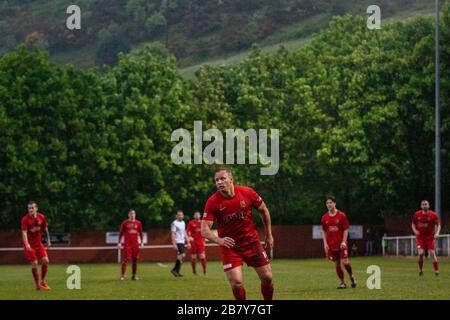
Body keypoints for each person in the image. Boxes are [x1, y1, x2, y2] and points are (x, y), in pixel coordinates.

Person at [201, 167, 274, 300]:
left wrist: (269, 234)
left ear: (231, 179)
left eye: (222, 179)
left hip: (251, 242)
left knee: (267, 278)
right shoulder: (212, 202)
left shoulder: (247, 192)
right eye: (216, 180)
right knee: (236, 283)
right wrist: (220, 240)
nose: (219, 182)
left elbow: (263, 210)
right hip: (230, 246)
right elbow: (204, 229)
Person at [321, 196, 357, 289]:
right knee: (337, 263)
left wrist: (344, 242)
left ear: (335, 203)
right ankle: (342, 283)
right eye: (327, 203)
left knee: (345, 262)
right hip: (331, 244)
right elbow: (324, 231)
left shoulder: (341, 215)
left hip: (341, 243)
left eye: (330, 202)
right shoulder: (324, 217)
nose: (329, 204)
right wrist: (325, 244)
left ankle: (352, 276)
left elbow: (346, 229)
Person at [21, 201, 51, 291]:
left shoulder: (41, 217)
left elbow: (45, 229)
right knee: (34, 263)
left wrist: (48, 240)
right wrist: (26, 244)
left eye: (32, 208)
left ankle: (43, 281)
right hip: (30, 245)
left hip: (38, 244)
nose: (30, 210)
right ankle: (37, 285)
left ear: (36, 208)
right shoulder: (25, 219)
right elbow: (24, 232)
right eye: (29, 208)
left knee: (46, 260)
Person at [411, 200, 441, 276]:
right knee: (420, 253)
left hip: (430, 237)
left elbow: (439, 225)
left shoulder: (433, 215)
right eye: (423, 204)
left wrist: (437, 233)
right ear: (421, 206)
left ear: (428, 205)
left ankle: (436, 271)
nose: (424, 205)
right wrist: (415, 231)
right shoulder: (417, 214)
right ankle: (421, 270)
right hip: (420, 237)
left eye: (426, 204)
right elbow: (413, 224)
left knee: (432, 253)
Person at [118, 209, 144, 280]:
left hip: (135, 245)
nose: (132, 215)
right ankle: (122, 276)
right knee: (125, 260)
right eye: (131, 214)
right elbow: (120, 233)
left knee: (135, 260)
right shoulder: (125, 223)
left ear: (135, 215)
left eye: (133, 213)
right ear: (128, 215)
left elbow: (141, 233)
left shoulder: (138, 223)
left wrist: (142, 242)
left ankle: (134, 275)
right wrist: (119, 242)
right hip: (127, 245)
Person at [171, 210, 190, 277]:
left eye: (181, 215)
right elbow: (173, 233)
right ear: (176, 216)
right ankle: (174, 270)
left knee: (180, 257)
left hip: (182, 242)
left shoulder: (183, 223)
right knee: (182, 255)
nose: (180, 216)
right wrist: (174, 243)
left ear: (183, 216)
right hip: (178, 241)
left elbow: (184, 232)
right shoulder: (174, 223)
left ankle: (177, 272)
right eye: (179, 215)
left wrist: (188, 241)